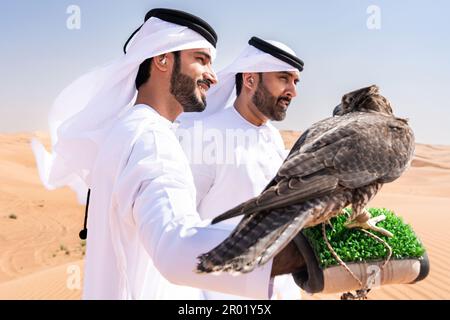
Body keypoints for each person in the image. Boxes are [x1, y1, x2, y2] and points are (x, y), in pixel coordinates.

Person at [31, 8, 304, 300]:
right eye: (201, 60)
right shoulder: (151, 140)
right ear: (162, 59)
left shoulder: (134, 130)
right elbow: (177, 245)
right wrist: (298, 255)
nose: (213, 77)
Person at [177, 37, 304, 299]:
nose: (293, 90)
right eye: (283, 78)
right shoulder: (206, 136)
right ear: (249, 80)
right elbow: (180, 232)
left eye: (295, 81)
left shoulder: (272, 138)